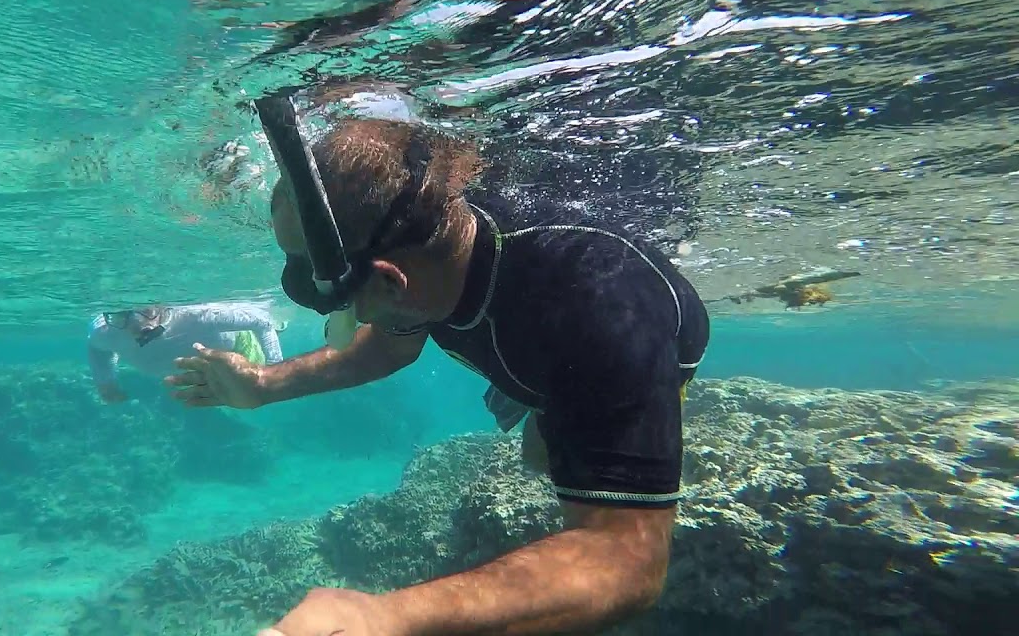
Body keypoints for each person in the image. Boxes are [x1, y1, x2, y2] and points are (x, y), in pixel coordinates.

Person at [166, 115, 710, 635]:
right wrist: (264, 386)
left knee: (546, 456)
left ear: (387, 282)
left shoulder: (601, 311)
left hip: (632, 349)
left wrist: (386, 620)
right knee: (537, 454)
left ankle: (540, 397)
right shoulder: (433, 255)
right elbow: (389, 350)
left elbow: (626, 560)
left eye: (308, 281)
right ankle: (529, 395)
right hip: (538, 349)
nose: (306, 294)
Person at [87, 301, 285, 404]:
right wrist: (106, 382)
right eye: (122, 315)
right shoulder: (106, 331)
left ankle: (280, 326)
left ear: (161, 304)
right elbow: (97, 350)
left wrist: (275, 370)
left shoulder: (198, 316)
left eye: (145, 310)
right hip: (192, 377)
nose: (137, 324)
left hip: (238, 349)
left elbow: (261, 321)